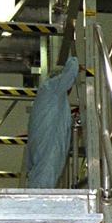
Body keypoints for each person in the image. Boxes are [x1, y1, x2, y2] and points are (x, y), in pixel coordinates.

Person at [26, 56, 80, 188]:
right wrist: (78, 63)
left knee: (42, 185)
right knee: (41, 190)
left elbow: (59, 123)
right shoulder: (51, 88)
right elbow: (71, 70)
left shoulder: (54, 99)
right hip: (48, 152)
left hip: (45, 153)